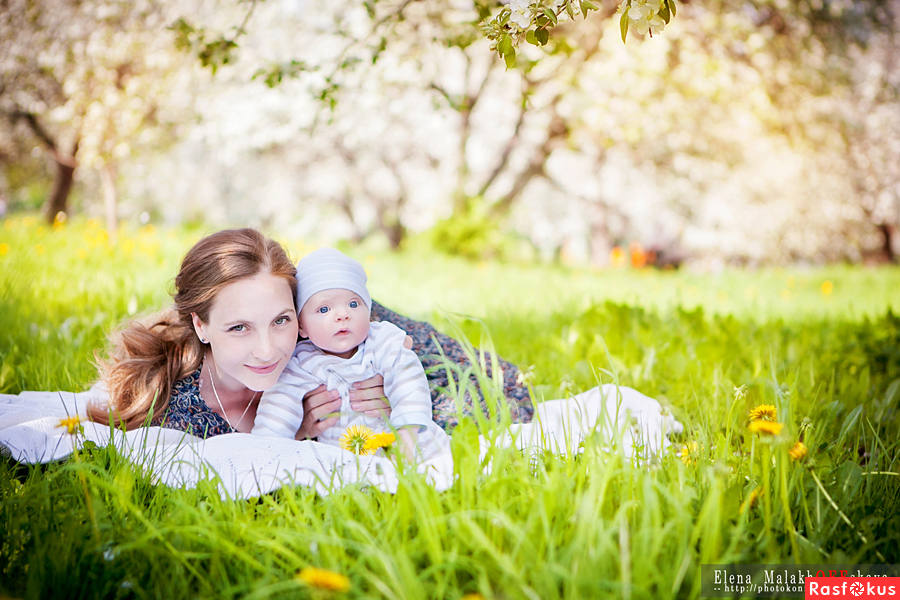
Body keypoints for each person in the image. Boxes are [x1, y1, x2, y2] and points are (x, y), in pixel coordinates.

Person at [86, 227, 534, 441]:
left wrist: (399, 400)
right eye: (239, 328)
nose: (268, 350)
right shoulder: (179, 412)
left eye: (281, 320)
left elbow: (513, 392)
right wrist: (297, 435)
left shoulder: (338, 327)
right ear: (200, 325)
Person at [252, 248, 449, 462]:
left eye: (353, 304)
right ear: (301, 327)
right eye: (324, 309)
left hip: (398, 447)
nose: (343, 315)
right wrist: (267, 452)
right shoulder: (301, 363)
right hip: (339, 457)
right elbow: (278, 411)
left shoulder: (382, 342)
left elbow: (408, 383)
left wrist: (407, 434)